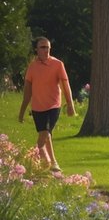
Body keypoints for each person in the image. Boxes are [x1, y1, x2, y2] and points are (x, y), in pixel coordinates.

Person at [17, 37, 75, 172]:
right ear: (36, 50)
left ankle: (41, 162)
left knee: (42, 137)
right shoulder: (32, 67)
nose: (46, 50)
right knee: (46, 133)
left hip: (53, 106)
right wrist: (21, 113)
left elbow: (66, 86)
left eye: (48, 47)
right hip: (37, 108)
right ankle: (53, 163)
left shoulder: (57, 64)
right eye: (43, 47)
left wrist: (70, 104)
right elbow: (27, 93)